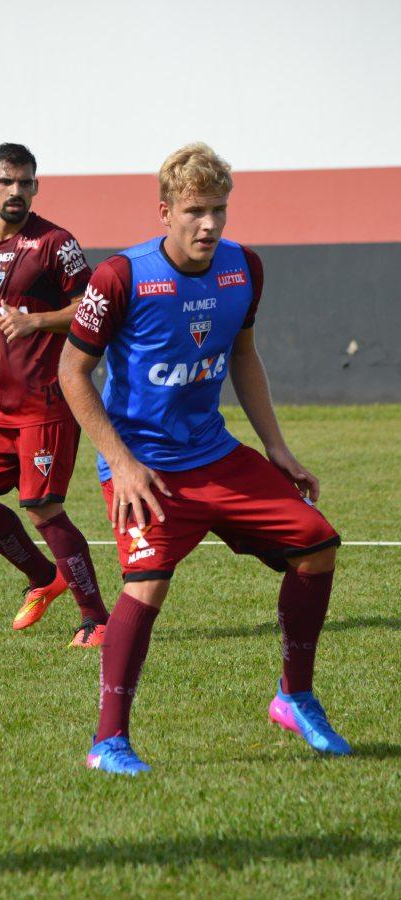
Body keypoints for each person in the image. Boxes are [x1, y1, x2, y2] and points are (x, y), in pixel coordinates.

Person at [59, 141, 351, 772]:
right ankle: (108, 742)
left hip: (215, 456)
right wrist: (122, 461)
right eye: (195, 210)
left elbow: (243, 355)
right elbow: (72, 372)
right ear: (165, 211)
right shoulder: (119, 277)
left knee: (317, 542)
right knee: (147, 583)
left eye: (219, 209)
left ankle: (295, 697)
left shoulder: (244, 268)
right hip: (146, 469)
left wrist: (276, 447)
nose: (210, 224)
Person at [0, 142, 108, 647]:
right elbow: (1, 321)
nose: (16, 191)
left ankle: (97, 618)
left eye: (25, 182)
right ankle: (44, 579)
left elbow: (92, 310)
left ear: (36, 186)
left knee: (42, 508)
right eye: (6, 181)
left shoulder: (57, 243)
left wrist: (38, 319)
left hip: (47, 402)